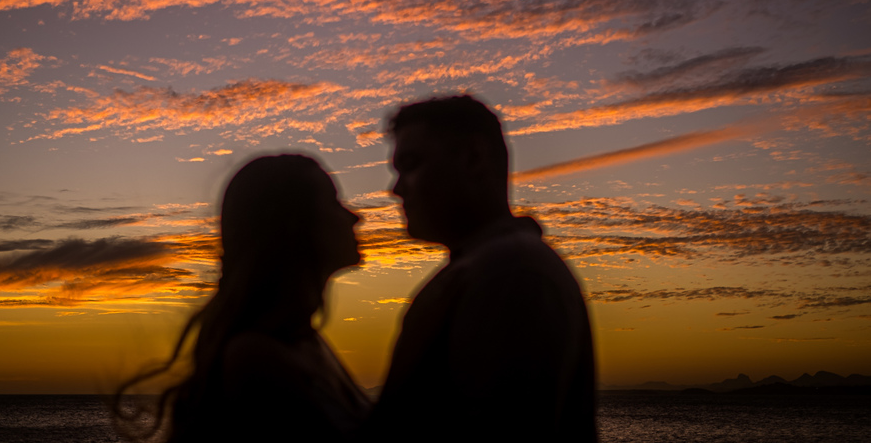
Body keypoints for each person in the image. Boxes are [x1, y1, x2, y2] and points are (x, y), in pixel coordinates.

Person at [370, 95, 597, 440]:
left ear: (474, 158)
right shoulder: (491, 267)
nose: (396, 189)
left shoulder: (510, 274)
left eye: (412, 164)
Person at [114, 154, 369, 441]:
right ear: (292, 223)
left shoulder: (305, 342)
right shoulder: (256, 357)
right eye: (333, 201)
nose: (355, 216)